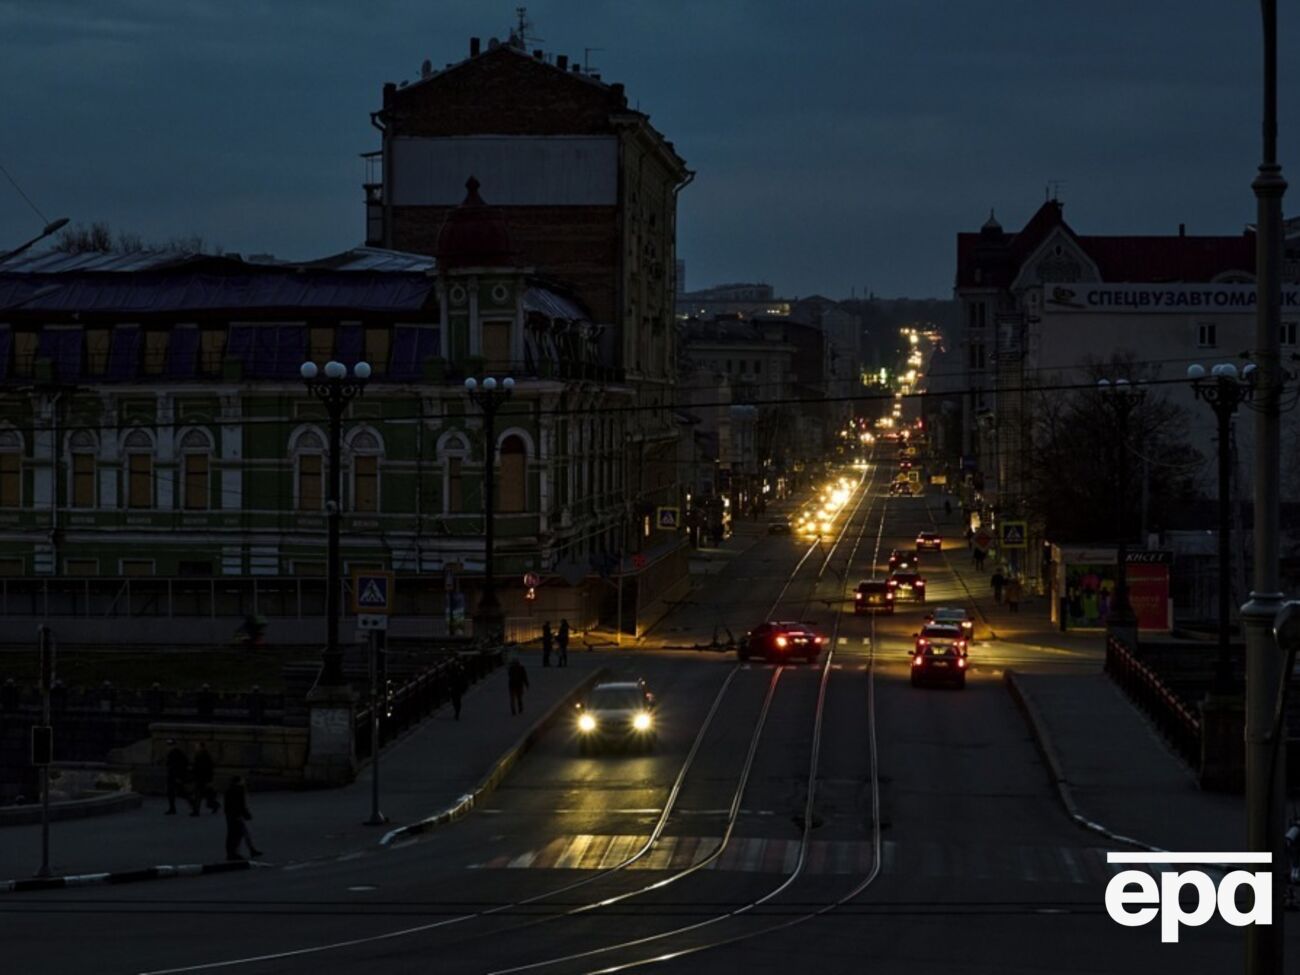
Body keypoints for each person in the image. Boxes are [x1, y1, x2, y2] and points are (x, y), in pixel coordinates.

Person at [223, 776, 262, 860]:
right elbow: (240, 805)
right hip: (236, 815)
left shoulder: (231, 790)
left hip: (232, 814)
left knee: (239, 833)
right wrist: (245, 814)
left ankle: (247, 850)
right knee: (237, 834)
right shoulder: (238, 790)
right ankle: (233, 853)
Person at [190, 742, 220, 816]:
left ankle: (198, 811)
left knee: (202, 796)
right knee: (200, 796)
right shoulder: (199, 755)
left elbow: (208, 769)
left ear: (201, 747)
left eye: (197, 746)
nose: (196, 748)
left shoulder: (205, 756)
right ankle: (197, 811)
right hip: (200, 778)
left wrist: (209, 780)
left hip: (203, 779)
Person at [164, 739, 191, 815]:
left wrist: (178, 776)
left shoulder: (175, 753)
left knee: (179, 792)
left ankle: (192, 803)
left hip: (174, 776)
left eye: (170, 745)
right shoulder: (175, 753)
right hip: (174, 776)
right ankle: (173, 808)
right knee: (175, 792)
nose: (169, 747)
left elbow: (176, 766)